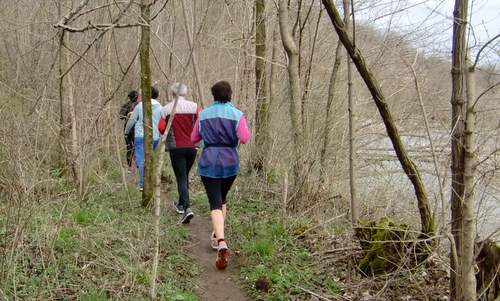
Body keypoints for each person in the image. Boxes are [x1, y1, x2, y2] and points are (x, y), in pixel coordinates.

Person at [190, 81, 251, 269]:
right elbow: (245, 138)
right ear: (230, 94)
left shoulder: (203, 114)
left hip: (209, 160)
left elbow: (193, 139)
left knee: (215, 202)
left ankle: (221, 240)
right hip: (230, 161)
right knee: (222, 198)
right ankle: (217, 236)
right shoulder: (237, 114)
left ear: (213, 95)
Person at [158, 83, 200, 224]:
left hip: (176, 148)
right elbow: (200, 125)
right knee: (184, 176)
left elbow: (162, 128)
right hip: (192, 147)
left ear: (172, 93)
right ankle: (181, 204)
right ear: (185, 92)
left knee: (181, 177)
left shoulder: (166, 109)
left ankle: (187, 208)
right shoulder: (194, 107)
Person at [124, 87, 162, 191]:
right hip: (154, 136)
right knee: (149, 159)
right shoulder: (160, 107)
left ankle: (143, 184)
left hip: (140, 136)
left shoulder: (140, 106)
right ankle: (149, 181)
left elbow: (131, 120)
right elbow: (162, 122)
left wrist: (126, 131)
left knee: (141, 160)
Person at [119, 90, 139, 173]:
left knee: (129, 147)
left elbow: (120, 116)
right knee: (136, 147)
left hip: (128, 129)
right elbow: (121, 116)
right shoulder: (139, 105)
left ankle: (131, 167)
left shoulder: (126, 105)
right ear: (136, 97)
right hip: (136, 129)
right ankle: (135, 166)